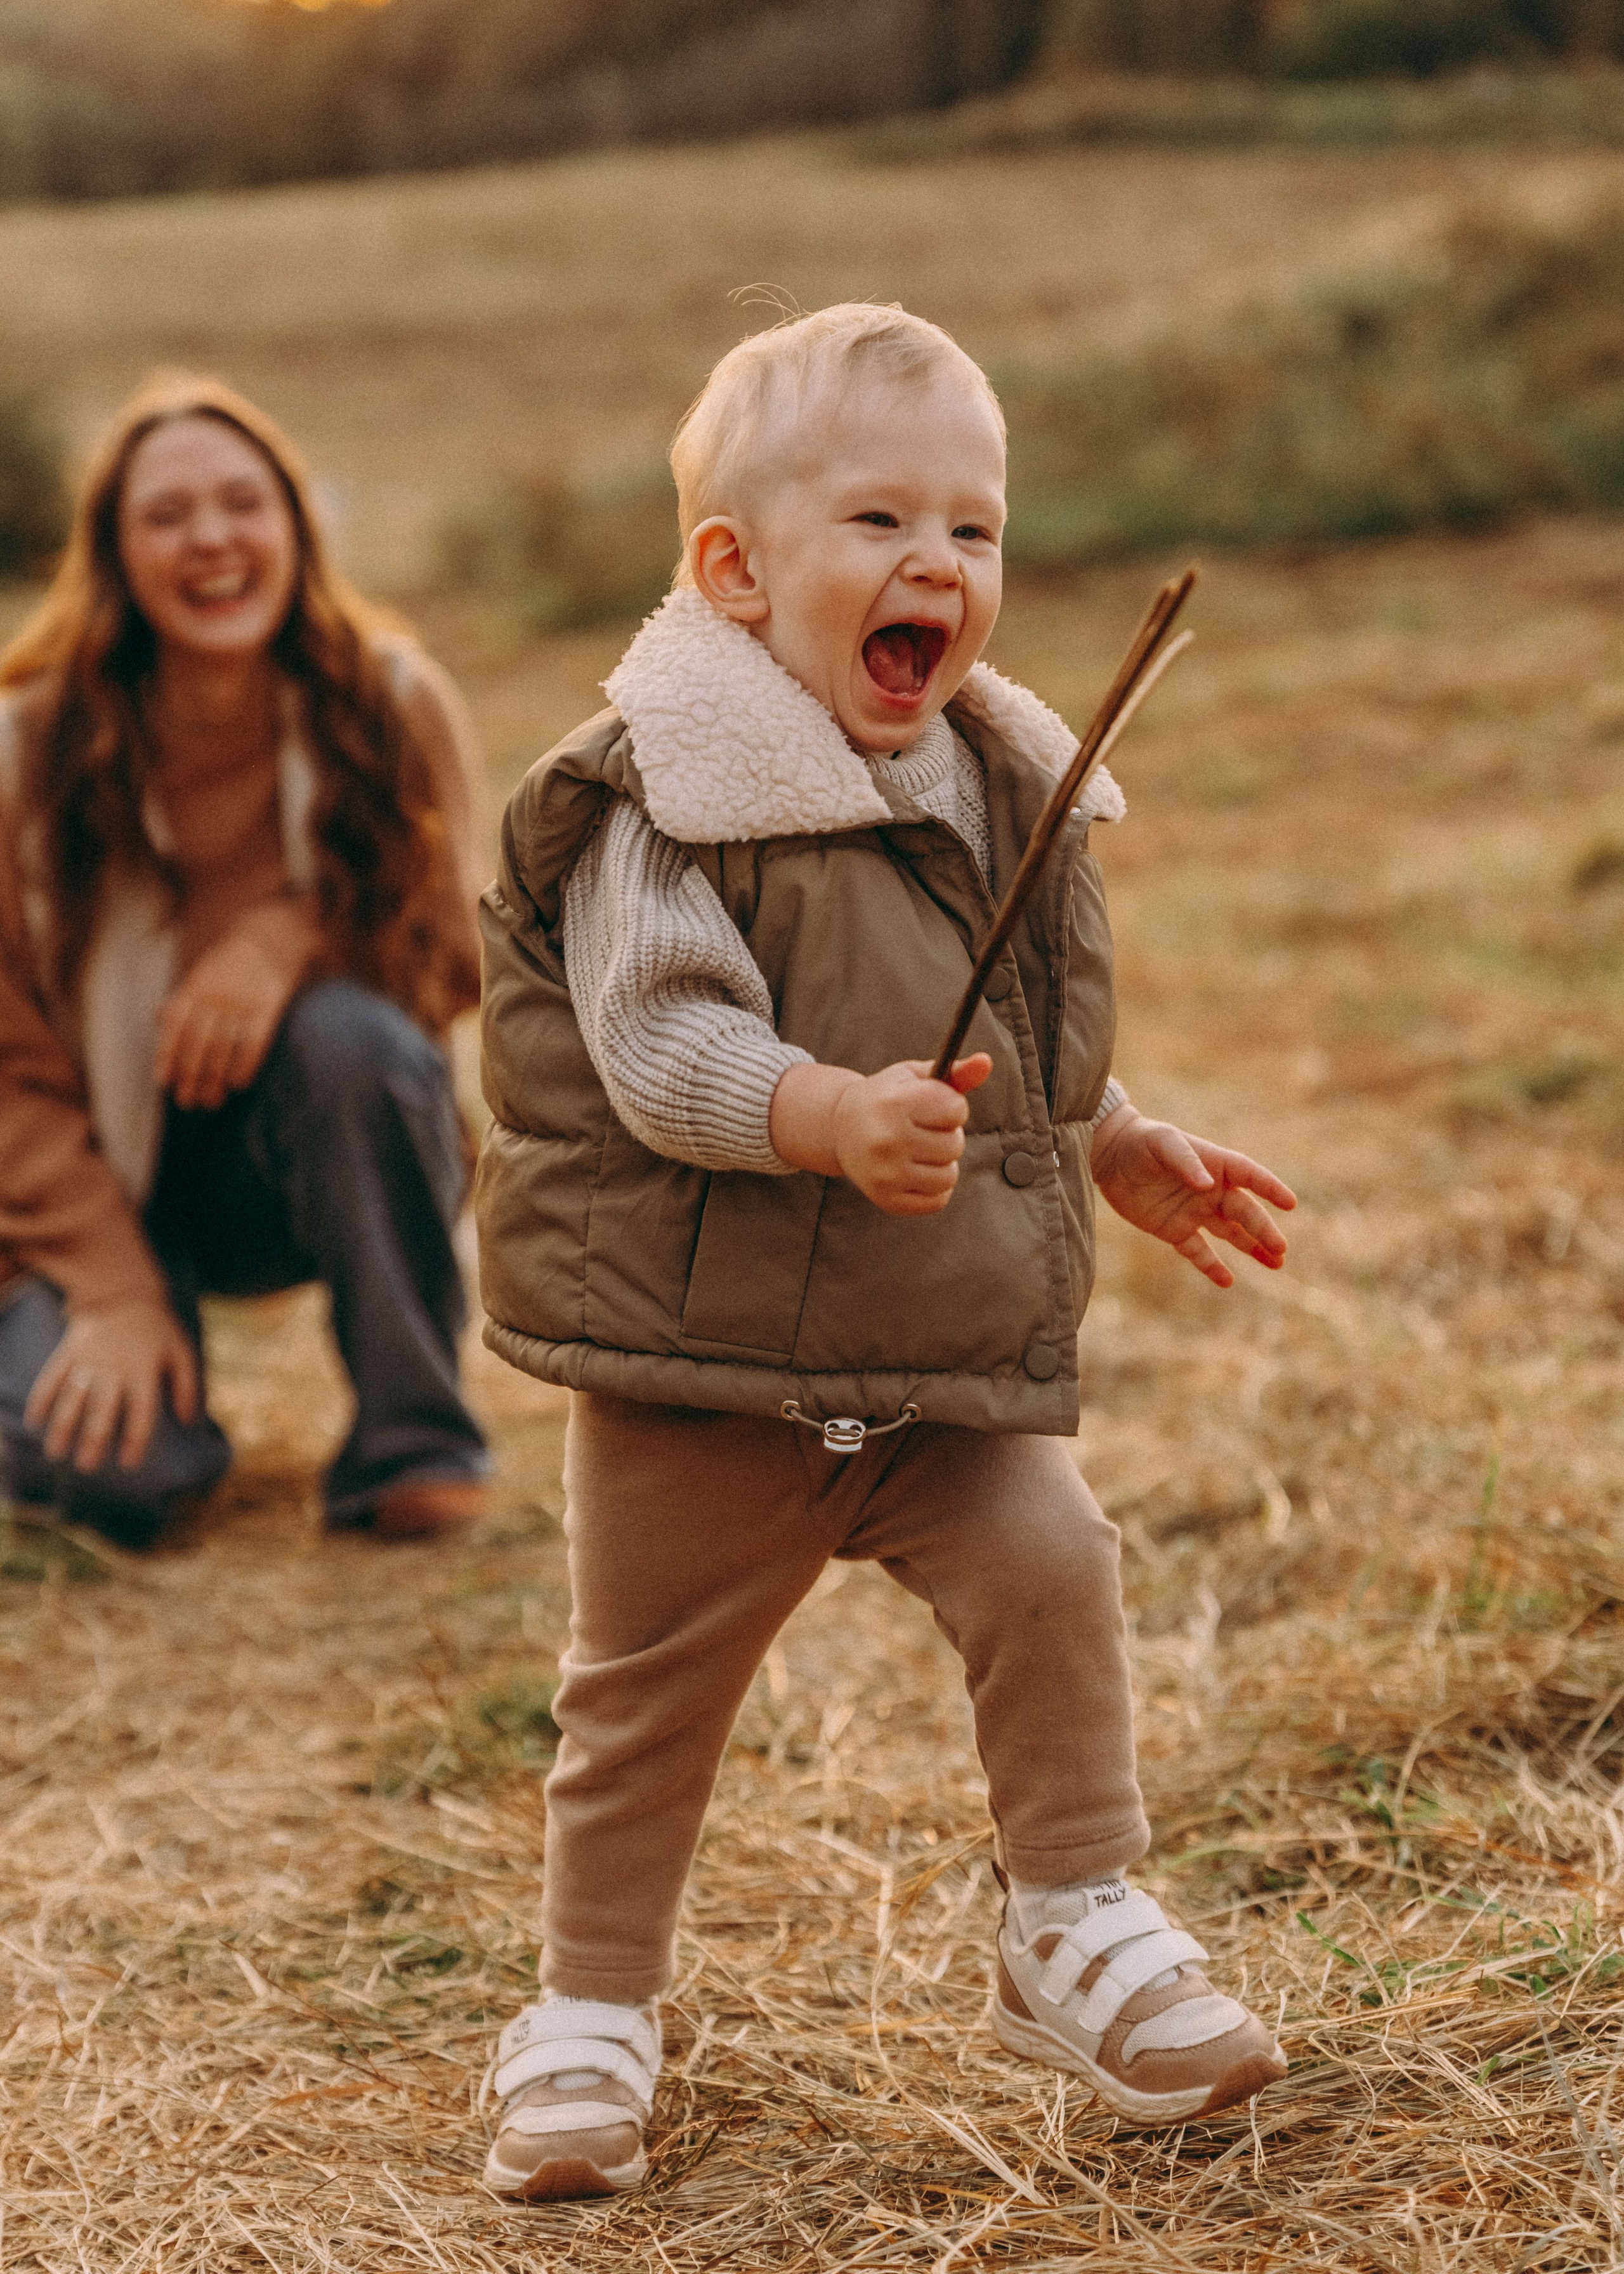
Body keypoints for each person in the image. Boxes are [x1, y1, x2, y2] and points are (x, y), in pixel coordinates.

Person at [474, 305, 1297, 2200]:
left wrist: (1115, 1141)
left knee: (1054, 1566)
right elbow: (664, 1050)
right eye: (879, 522)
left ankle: (1072, 1913)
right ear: (736, 572)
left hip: (926, 1361)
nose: (938, 563)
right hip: (704, 1363)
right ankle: (591, 2008)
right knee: (646, 1692)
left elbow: (999, 1046)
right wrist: (829, 1117)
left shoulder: (987, 783)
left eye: (976, 530)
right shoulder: (660, 796)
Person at [0, 372, 490, 1547]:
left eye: (242, 502)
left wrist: (282, 944)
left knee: (358, 1040)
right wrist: (112, 1289)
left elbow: (460, 954)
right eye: (167, 516)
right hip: (88, 1181)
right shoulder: (24, 753)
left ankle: (414, 1444)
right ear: (114, 556)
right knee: (118, 1483)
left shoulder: (393, 706)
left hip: (287, 1163)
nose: (211, 539)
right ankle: (118, 1378)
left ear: (295, 527)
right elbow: (5, 1067)